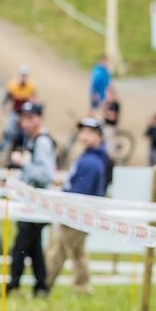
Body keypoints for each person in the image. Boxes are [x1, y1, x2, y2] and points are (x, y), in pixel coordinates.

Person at [46, 118, 109, 295]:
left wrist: (66, 208)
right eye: (82, 132)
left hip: (76, 214)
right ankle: (83, 287)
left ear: (99, 136)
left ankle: (44, 285)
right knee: (78, 252)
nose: (84, 136)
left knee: (58, 250)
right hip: (83, 214)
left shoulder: (91, 162)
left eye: (89, 132)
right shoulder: (90, 158)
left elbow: (79, 193)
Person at [5, 101, 56, 298]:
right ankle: (41, 286)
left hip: (37, 205)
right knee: (34, 249)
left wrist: (23, 163)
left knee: (19, 248)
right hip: (31, 205)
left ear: (39, 119)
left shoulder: (42, 141)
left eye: (30, 118)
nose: (25, 123)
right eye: (23, 118)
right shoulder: (32, 139)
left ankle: (13, 285)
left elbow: (45, 175)